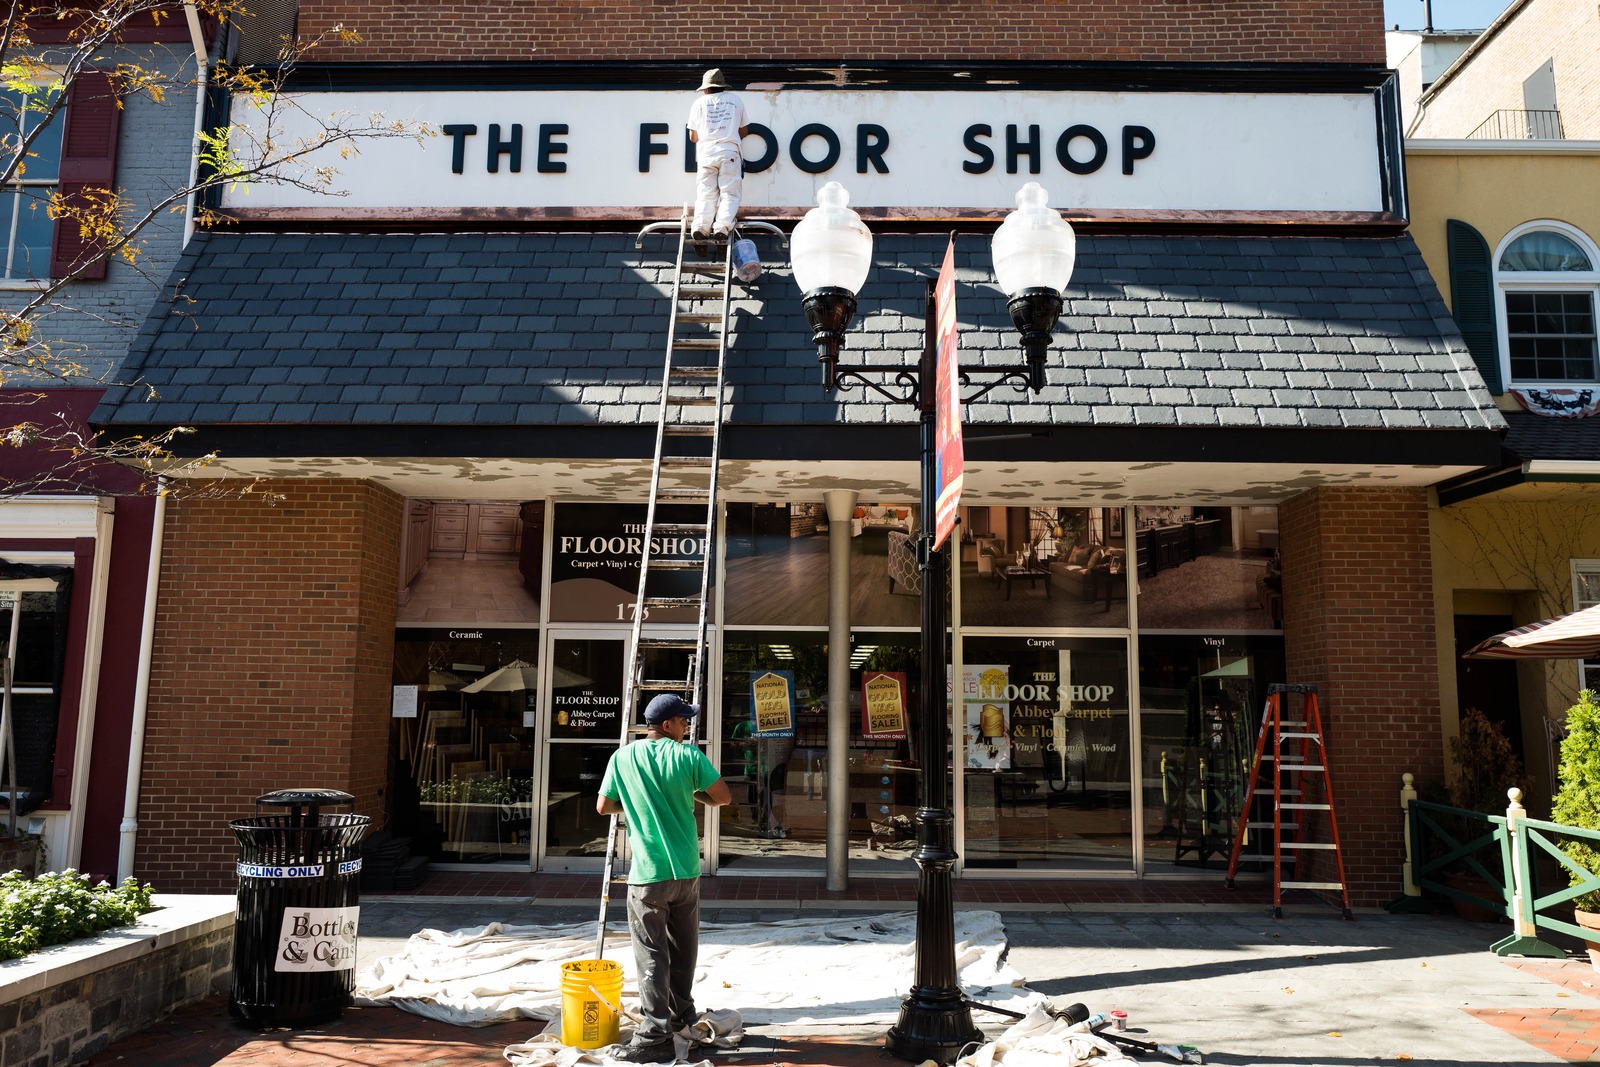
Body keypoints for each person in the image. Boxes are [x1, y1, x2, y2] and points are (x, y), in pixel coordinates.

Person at [596, 693, 731, 1063]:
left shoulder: (622, 757)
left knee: (652, 954)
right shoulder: (687, 757)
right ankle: (680, 1014)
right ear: (667, 725)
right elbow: (723, 797)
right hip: (685, 869)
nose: (688, 726)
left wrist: (639, 803)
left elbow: (604, 806)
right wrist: (689, 793)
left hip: (648, 874)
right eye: (684, 720)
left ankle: (654, 1032)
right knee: (683, 947)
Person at [687, 68, 748, 241]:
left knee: (706, 194)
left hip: (706, 153)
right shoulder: (736, 101)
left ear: (705, 89)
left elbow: (693, 137)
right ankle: (721, 228)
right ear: (722, 86)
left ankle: (700, 227)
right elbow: (744, 131)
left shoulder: (698, 104)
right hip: (729, 152)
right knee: (730, 193)